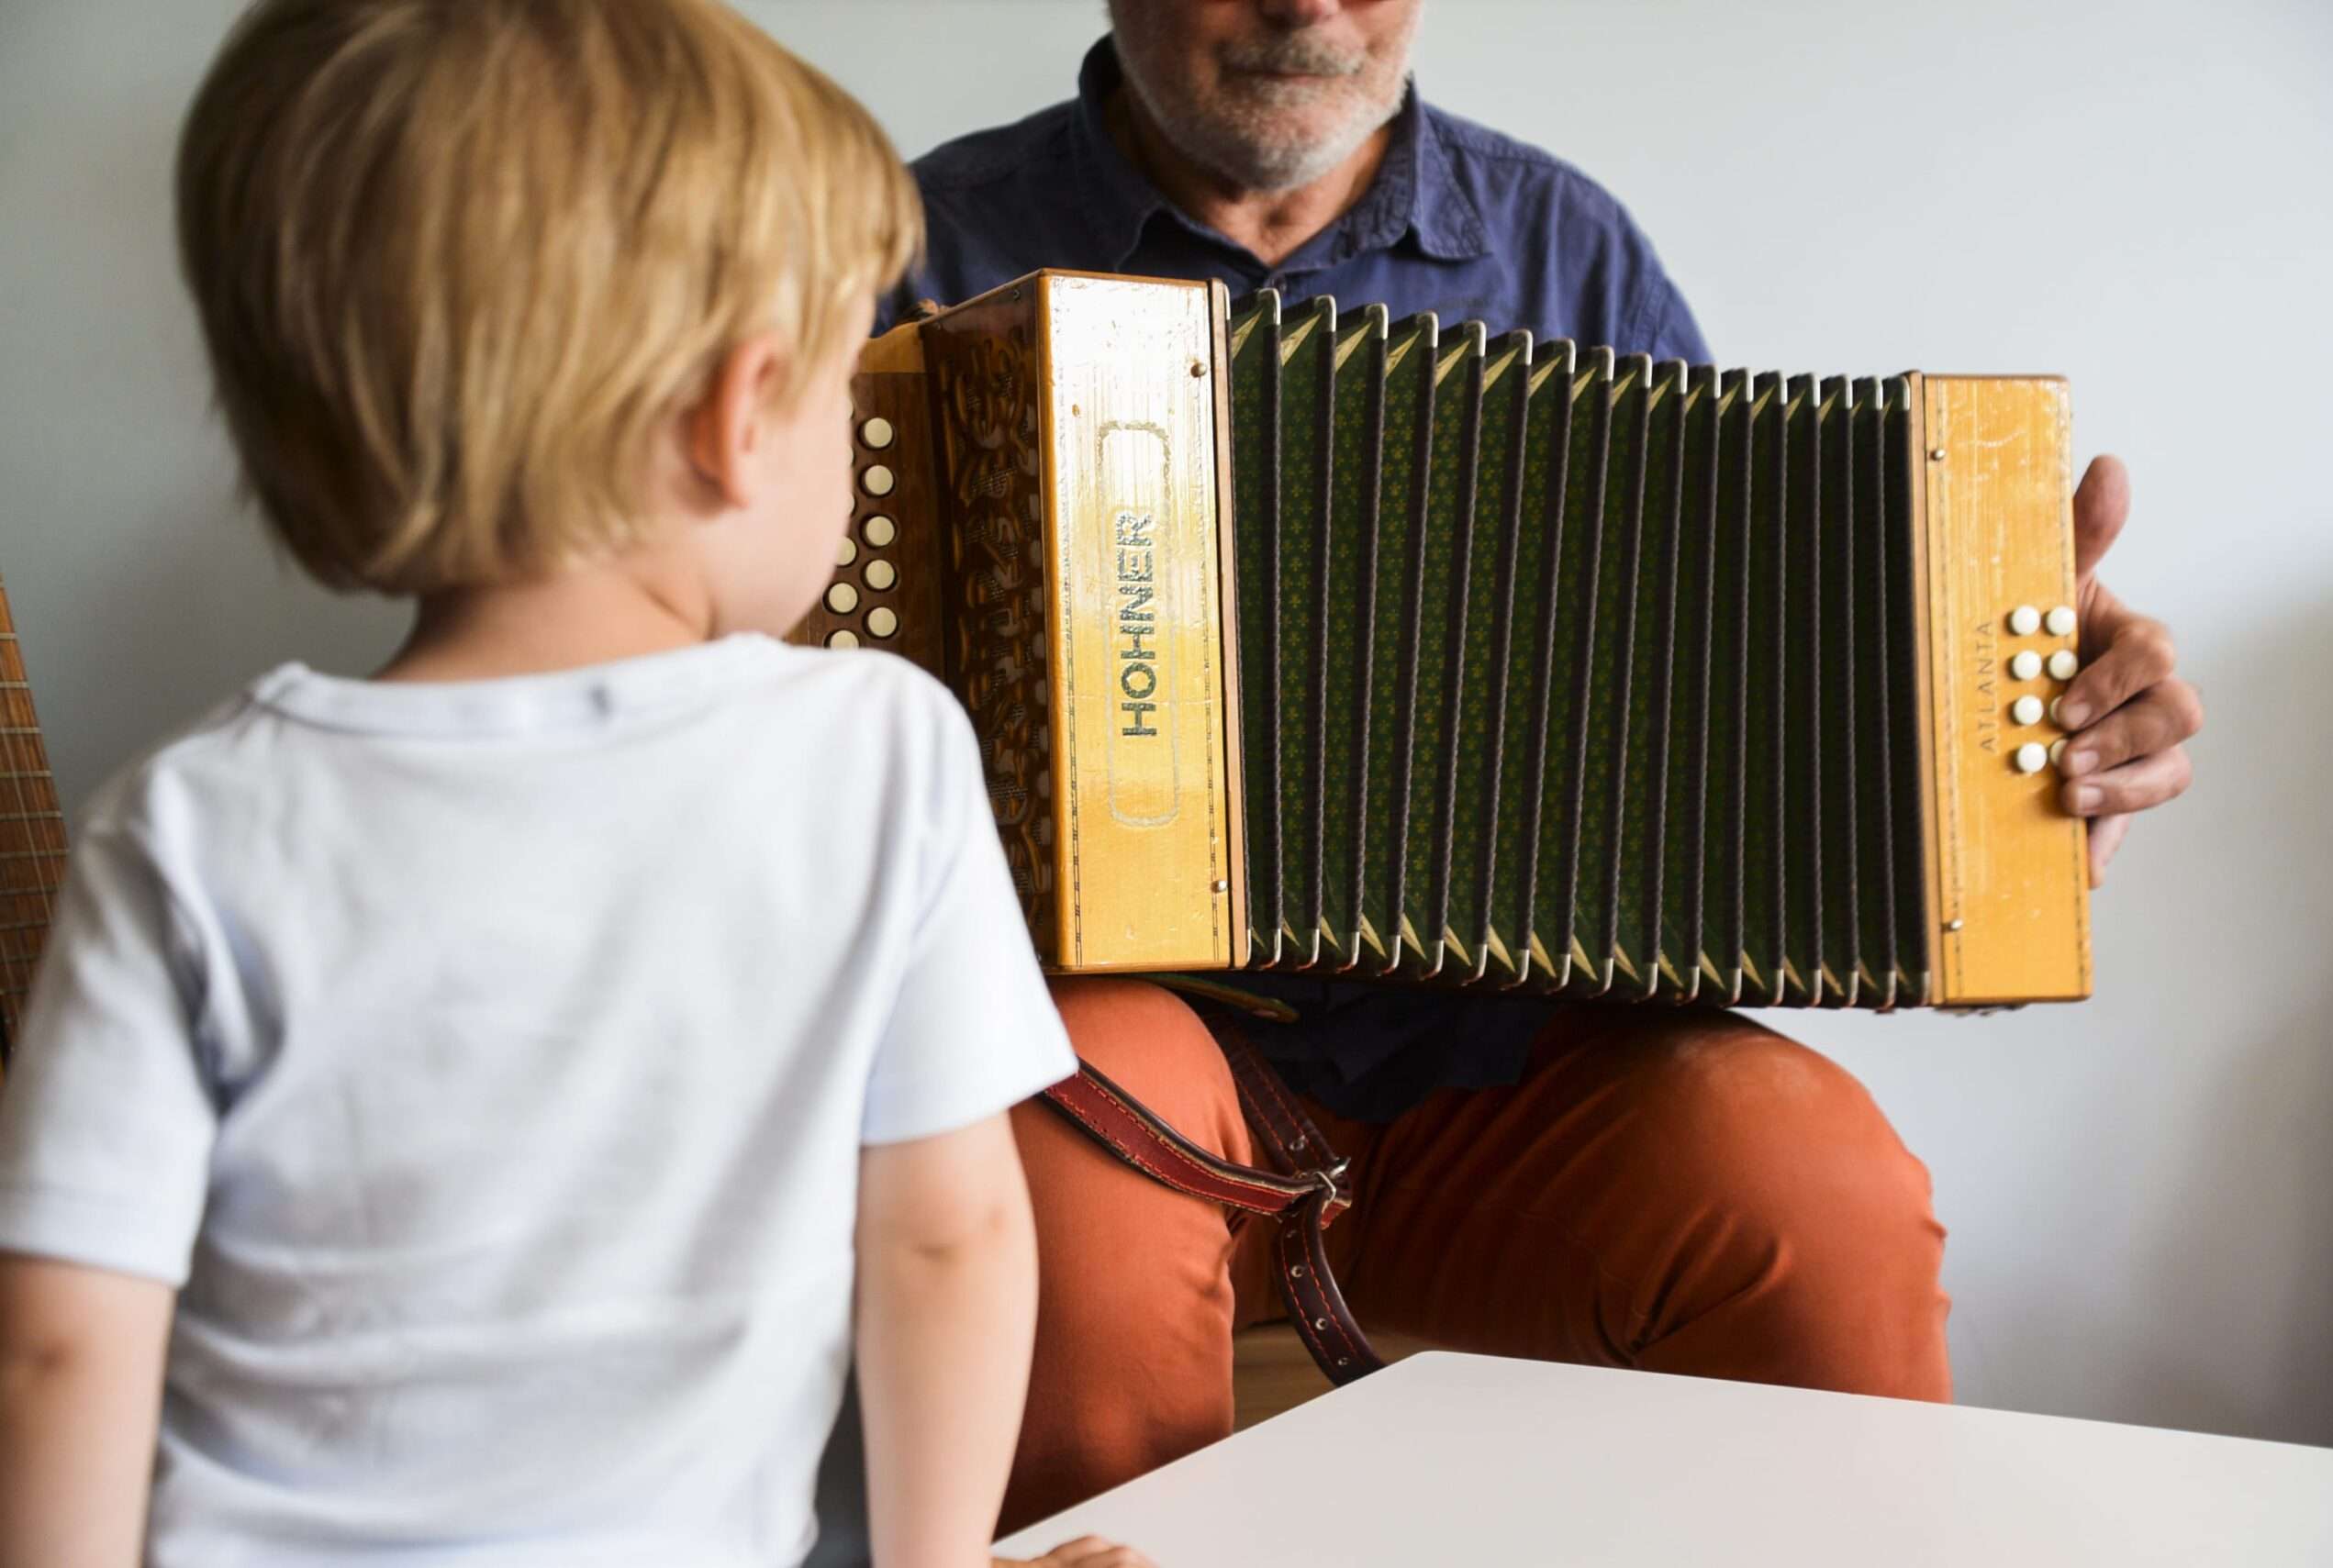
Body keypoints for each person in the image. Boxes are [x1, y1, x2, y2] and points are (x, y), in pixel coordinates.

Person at [891, 0, 2204, 1531]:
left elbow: (1723, 721)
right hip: (1114, 1047)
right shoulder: (910, 252)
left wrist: (2010, 724)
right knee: (1067, 1123)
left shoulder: (1570, 252)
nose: (1312, 5)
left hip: (1496, 1067)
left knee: (1815, 1191)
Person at [0, 3, 1145, 1564]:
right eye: (843, 388)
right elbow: (947, 1238)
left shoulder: (186, 824)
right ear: (745, 418)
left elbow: (56, 1338)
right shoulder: (877, 755)